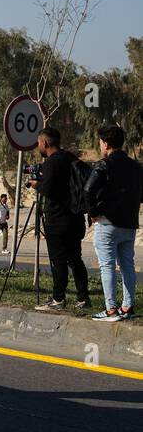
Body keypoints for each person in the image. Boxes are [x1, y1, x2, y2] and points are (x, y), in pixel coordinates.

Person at [85, 124, 141, 322]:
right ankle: (128, 306)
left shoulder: (103, 165)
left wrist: (93, 212)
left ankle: (110, 310)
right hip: (129, 223)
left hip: (107, 222)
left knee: (107, 266)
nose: (100, 145)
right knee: (127, 265)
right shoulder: (135, 166)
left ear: (106, 143)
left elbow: (88, 190)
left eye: (100, 142)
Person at [32, 127, 91, 312]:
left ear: (45, 143)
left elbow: (48, 190)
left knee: (58, 260)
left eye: (38, 143)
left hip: (57, 219)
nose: (38, 146)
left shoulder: (51, 162)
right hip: (75, 217)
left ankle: (58, 299)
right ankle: (83, 297)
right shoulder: (71, 158)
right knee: (75, 259)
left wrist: (36, 184)